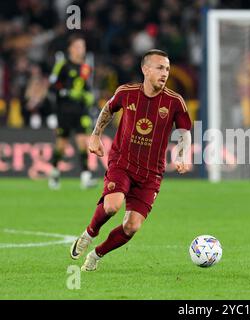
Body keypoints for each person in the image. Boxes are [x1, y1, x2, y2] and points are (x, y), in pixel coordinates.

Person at [69, 49, 192, 271]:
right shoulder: (127, 93)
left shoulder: (175, 101)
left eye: (167, 69)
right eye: (159, 68)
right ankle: (89, 233)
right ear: (145, 70)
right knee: (112, 207)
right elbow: (108, 109)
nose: (165, 73)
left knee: (132, 227)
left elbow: (184, 132)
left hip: (151, 173)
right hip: (122, 163)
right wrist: (96, 135)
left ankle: (97, 255)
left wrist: (183, 155)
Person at [48, 34, 97, 190]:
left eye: (82, 47)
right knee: (61, 144)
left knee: (83, 142)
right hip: (64, 110)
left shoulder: (86, 67)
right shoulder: (62, 65)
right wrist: (65, 92)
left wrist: (89, 96)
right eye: (77, 46)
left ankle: (85, 176)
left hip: (81, 110)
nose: (80, 50)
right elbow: (53, 86)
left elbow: (87, 87)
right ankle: (55, 172)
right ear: (70, 49)